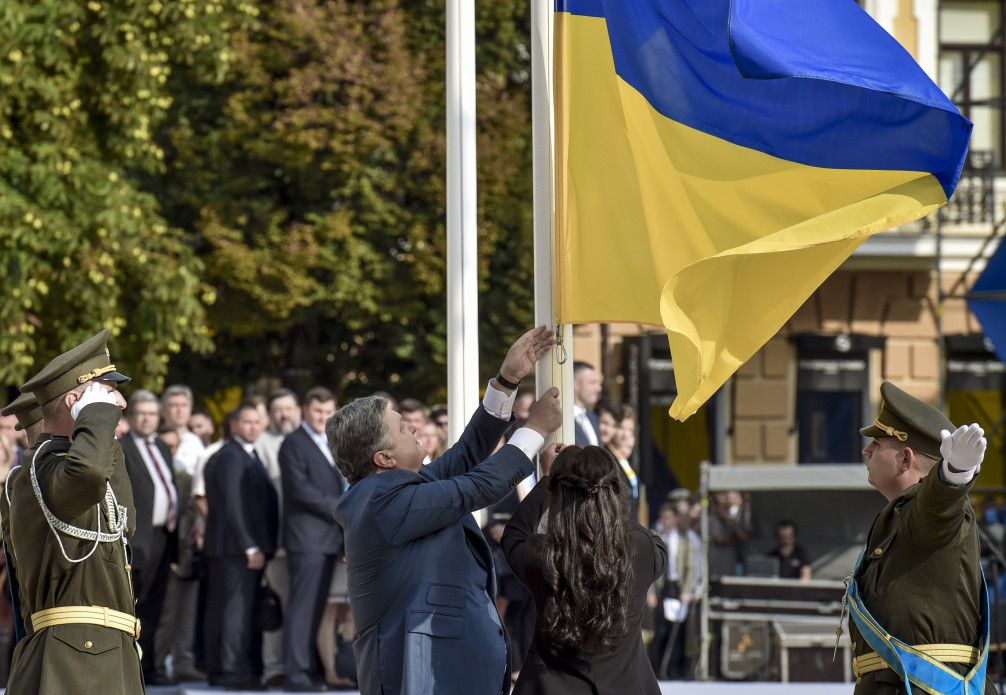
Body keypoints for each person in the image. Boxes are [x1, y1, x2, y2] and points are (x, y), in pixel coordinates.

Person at [329, 325, 558, 695]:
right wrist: (534, 430)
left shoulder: (398, 488)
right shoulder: (379, 499)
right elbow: (478, 486)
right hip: (424, 675)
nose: (414, 426)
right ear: (384, 458)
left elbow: (466, 456)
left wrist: (506, 380)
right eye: (403, 428)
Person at [2, 329, 140, 694]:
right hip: (74, 663)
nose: (121, 404)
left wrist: (101, 434)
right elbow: (89, 473)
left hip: (107, 652)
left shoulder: (69, 470)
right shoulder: (41, 470)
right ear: (77, 401)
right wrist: (94, 416)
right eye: (110, 393)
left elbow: (126, 524)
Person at [847, 381, 996, 694]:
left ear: (905, 459)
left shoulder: (923, 512)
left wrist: (955, 473)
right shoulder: (896, 517)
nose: (866, 450)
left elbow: (938, 507)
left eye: (876, 443)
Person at [501, 445, 668, 694]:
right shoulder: (642, 550)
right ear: (614, 492)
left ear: (557, 494)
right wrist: (607, 511)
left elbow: (513, 535)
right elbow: (642, 535)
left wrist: (547, 477)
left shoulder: (541, 554)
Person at [203, 401, 279, 690]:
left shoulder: (246, 454)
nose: (253, 427)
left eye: (257, 422)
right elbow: (233, 504)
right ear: (234, 425)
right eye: (247, 422)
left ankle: (222, 669)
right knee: (235, 610)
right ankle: (232, 671)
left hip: (231, 548)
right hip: (235, 549)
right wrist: (250, 546)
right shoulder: (232, 456)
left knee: (227, 609)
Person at [278, 387, 344, 692]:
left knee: (316, 608)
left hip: (327, 540)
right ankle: (296, 673)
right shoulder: (293, 444)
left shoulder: (330, 443)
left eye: (328, 411)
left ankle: (308, 668)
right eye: (318, 411)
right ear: (305, 410)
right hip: (307, 540)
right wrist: (342, 508)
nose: (323, 417)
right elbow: (300, 489)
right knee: (303, 608)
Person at [118, 389, 179, 684]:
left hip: (164, 537)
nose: (147, 418)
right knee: (133, 607)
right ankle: (130, 670)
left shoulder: (163, 448)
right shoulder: (121, 447)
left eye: (152, 413)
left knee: (156, 604)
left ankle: (150, 667)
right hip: (136, 540)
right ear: (130, 417)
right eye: (141, 413)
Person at [572, 361, 601, 446]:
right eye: (592, 382)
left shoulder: (593, 417)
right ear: (576, 384)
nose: (598, 388)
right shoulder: (561, 419)